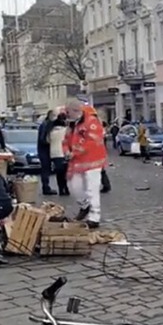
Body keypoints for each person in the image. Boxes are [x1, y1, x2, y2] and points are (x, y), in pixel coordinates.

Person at [64, 98, 108, 228]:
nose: (67, 115)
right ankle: (85, 205)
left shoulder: (92, 122)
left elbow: (92, 142)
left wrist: (74, 152)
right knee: (73, 186)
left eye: (68, 112)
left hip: (93, 160)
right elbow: (66, 140)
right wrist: (66, 150)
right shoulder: (72, 124)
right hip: (77, 161)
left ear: (76, 111)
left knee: (92, 189)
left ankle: (94, 217)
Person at [49, 111, 70, 196]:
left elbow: (47, 141)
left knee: (58, 173)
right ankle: (66, 188)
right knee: (65, 172)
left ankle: (61, 189)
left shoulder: (51, 131)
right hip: (64, 153)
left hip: (54, 154)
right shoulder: (66, 131)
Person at [37, 109, 58, 195]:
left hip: (45, 150)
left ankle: (46, 187)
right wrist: (50, 142)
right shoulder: (46, 124)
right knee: (46, 169)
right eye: (54, 115)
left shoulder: (47, 124)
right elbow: (43, 139)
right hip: (44, 150)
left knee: (46, 169)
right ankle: (46, 188)